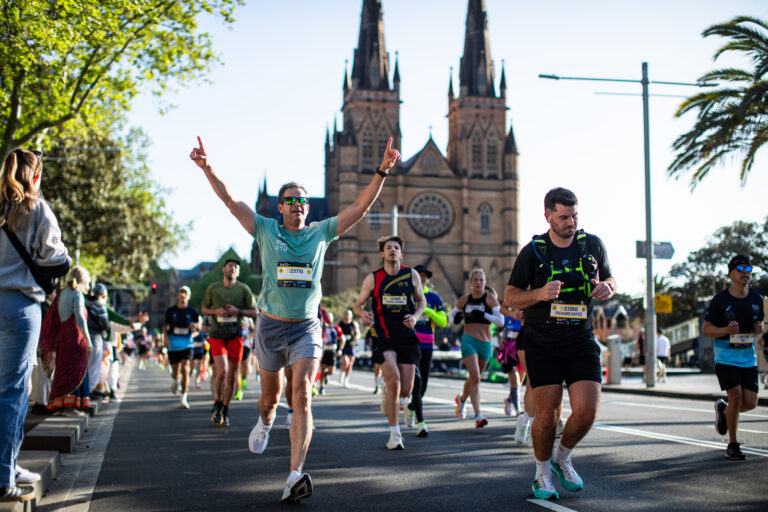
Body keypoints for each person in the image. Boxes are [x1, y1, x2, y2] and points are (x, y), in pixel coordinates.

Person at [190, 135, 399, 502]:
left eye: (303, 200)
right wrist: (208, 168)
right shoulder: (266, 230)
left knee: (301, 394)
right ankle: (266, 421)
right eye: (291, 201)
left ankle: (294, 475)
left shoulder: (322, 232)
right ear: (280, 207)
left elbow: (360, 208)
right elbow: (230, 200)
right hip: (270, 328)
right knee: (269, 400)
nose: (299, 205)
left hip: (307, 327)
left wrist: (382, 170)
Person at [503, 187, 615, 500]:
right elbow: (510, 296)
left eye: (574, 215)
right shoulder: (533, 251)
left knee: (587, 410)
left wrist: (607, 287)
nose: (570, 222)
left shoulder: (591, 244)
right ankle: (541, 473)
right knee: (548, 415)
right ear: (548, 216)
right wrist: (539, 294)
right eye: (564, 217)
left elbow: (611, 279)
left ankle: (561, 457)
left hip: (580, 339)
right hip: (543, 343)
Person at [0, 148, 70, 502]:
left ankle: (9, 464)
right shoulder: (36, 209)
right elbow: (55, 258)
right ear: (36, 176)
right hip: (20, 306)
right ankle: (3, 473)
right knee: (12, 392)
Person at [354, 236, 426, 450]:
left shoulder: (411, 274)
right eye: (388, 248)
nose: (392, 250)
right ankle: (395, 434)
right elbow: (358, 305)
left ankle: (390, 393)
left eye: (396, 248)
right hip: (382, 334)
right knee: (393, 380)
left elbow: (421, 300)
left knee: (406, 390)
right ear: (382, 254)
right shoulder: (373, 278)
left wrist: (415, 316)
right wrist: (363, 314)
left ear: (401, 254)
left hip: (405, 335)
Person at [702, 254, 764, 461]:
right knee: (736, 395)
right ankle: (733, 444)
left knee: (751, 402)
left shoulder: (756, 299)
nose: (746, 272)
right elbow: (706, 330)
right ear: (731, 274)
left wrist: (759, 328)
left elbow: (759, 324)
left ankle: (724, 410)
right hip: (726, 356)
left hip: (748, 357)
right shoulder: (720, 300)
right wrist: (725, 330)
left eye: (749, 269)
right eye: (740, 269)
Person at [201, 259, 258, 426]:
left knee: (232, 377)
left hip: (236, 335)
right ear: (224, 269)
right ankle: (217, 403)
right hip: (217, 334)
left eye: (236, 267)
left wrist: (237, 311)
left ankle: (224, 410)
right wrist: (215, 311)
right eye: (230, 266)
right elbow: (204, 308)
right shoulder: (213, 288)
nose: (232, 269)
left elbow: (255, 312)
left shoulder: (243, 289)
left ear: (238, 272)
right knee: (222, 372)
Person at [449, 269, 504, 429]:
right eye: (476, 280)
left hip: (485, 343)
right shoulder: (465, 300)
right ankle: (478, 415)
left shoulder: (490, 299)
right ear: (471, 282)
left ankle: (462, 399)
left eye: (481, 280)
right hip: (469, 340)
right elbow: (452, 317)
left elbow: (500, 321)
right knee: (476, 377)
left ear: (485, 282)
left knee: (474, 378)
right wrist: (457, 319)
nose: (478, 282)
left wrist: (484, 315)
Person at [406, 264, 446, 437]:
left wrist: (427, 310)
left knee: (424, 385)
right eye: (419, 275)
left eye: (425, 276)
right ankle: (421, 423)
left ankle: (411, 406)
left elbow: (443, 322)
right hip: (411, 343)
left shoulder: (434, 298)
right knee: (418, 382)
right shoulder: (407, 296)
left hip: (428, 344)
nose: (422, 278)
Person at [163, 285, 201, 409]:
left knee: (185, 369)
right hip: (173, 344)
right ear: (177, 296)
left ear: (189, 296)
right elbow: (165, 326)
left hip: (187, 344)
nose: (183, 296)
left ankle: (183, 398)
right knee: (175, 372)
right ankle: (175, 380)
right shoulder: (171, 311)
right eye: (181, 293)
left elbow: (199, 328)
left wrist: (194, 326)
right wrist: (165, 338)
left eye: (186, 294)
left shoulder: (193, 312)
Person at [500, 307, 525, 416]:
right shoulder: (508, 316)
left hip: (522, 349)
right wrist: (501, 343)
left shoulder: (527, 314)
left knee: (518, 383)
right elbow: (501, 331)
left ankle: (509, 400)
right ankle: (518, 409)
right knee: (514, 380)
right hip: (509, 351)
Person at [318, 312, 342, 395]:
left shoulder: (336, 328)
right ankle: (321, 387)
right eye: (327, 317)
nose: (328, 318)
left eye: (330, 317)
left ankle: (325, 375)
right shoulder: (322, 327)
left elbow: (342, 338)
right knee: (323, 368)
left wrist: (340, 349)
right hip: (324, 350)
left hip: (333, 350)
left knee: (331, 371)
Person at [338, 309, 360, 388]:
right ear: (343, 315)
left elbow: (358, 334)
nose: (347, 316)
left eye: (348, 314)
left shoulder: (354, 324)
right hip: (343, 345)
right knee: (345, 362)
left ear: (351, 316)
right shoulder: (340, 324)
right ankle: (342, 374)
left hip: (351, 345)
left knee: (350, 363)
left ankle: (346, 380)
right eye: (346, 314)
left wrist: (356, 338)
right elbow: (336, 333)